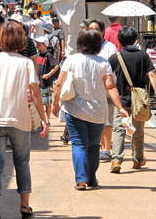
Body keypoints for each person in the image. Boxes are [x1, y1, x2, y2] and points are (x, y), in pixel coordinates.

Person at [0, 21, 48, 219]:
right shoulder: (25, 63)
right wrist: (43, 119)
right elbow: (35, 94)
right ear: (21, 41)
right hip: (20, 119)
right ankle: (25, 207)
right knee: (22, 163)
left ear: (0, 39)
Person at [52, 29, 129, 190]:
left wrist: (54, 103)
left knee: (79, 145)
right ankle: (92, 178)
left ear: (80, 43)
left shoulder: (71, 60)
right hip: (98, 111)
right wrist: (120, 107)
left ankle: (81, 180)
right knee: (94, 146)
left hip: (74, 109)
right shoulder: (103, 63)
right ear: (98, 44)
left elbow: (59, 84)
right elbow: (111, 87)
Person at [108, 26, 156, 173]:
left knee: (119, 128)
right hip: (140, 100)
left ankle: (116, 160)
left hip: (121, 100)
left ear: (120, 40)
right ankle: (138, 160)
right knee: (138, 129)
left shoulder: (115, 57)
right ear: (136, 39)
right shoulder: (143, 56)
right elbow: (152, 75)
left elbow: (106, 77)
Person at [88, 19, 118, 163]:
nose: (93, 32)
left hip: (106, 89)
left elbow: (113, 69)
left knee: (106, 120)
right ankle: (100, 147)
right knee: (96, 120)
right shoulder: (87, 47)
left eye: (96, 29)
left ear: (102, 32)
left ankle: (106, 149)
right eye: (90, 29)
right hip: (91, 90)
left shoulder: (110, 48)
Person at [35, 36, 60, 125]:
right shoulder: (36, 55)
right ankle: (40, 118)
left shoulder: (48, 55)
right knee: (38, 101)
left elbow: (56, 66)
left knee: (47, 102)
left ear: (44, 45)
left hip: (46, 83)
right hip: (38, 83)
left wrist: (48, 75)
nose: (37, 45)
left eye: (39, 44)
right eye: (37, 43)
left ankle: (47, 119)